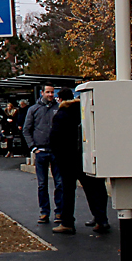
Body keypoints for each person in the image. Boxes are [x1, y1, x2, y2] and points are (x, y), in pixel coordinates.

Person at [22, 85, 63, 224]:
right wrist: (33, 148)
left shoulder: (58, 108)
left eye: (52, 92)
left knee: (59, 183)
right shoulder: (34, 109)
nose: (50, 94)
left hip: (56, 152)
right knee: (42, 184)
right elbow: (26, 130)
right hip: (41, 151)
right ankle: (44, 212)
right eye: (48, 92)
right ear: (42, 93)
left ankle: (59, 212)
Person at [49, 91, 81, 234]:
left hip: (66, 157)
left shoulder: (61, 115)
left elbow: (55, 137)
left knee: (67, 190)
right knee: (93, 188)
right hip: (83, 155)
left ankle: (67, 221)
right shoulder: (81, 111)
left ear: (60, 99)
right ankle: (101, 219)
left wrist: (56, 154)